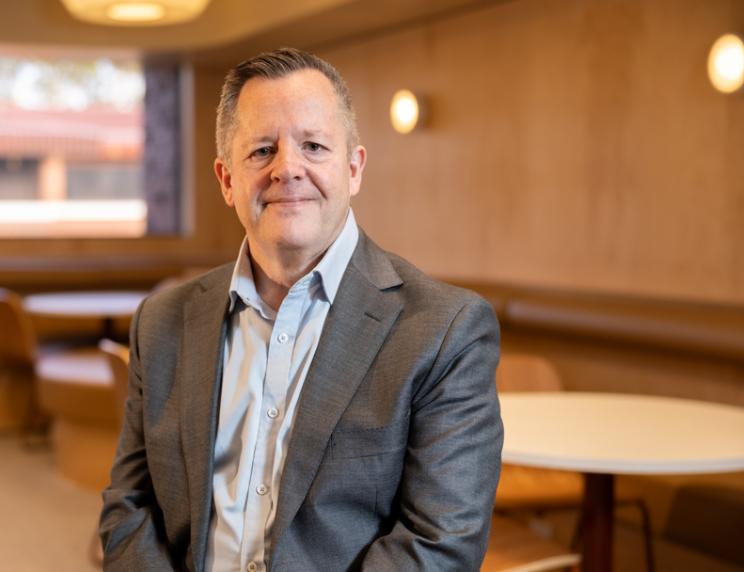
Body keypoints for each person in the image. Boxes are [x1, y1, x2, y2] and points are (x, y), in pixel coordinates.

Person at [99, 47, 503, 571]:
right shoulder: (160, 322)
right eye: (262, 150)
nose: (288, 169)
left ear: (353, 169)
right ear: (226, 180)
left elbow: (438, 544)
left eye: (313, 146)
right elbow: (128, 508)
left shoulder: (445, 330)